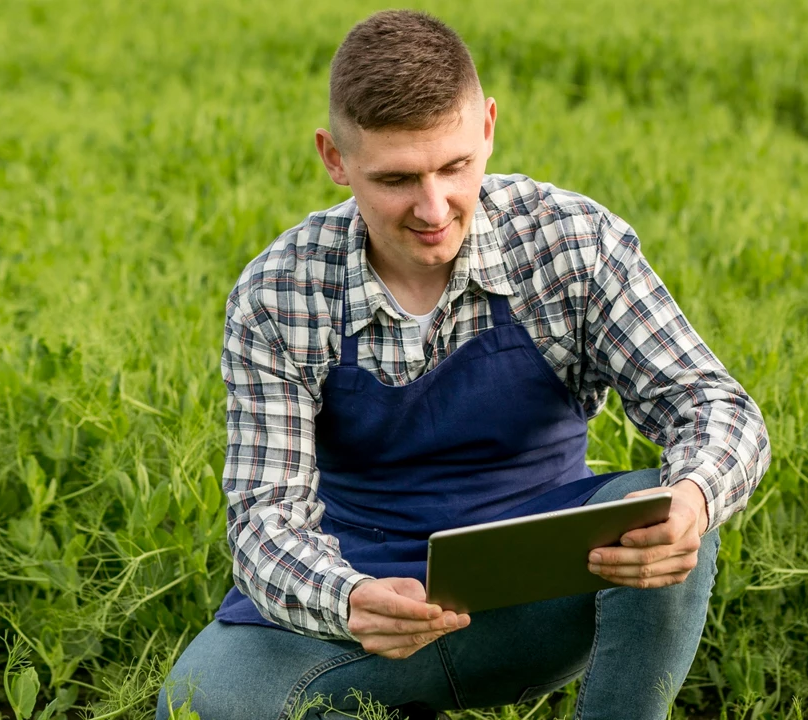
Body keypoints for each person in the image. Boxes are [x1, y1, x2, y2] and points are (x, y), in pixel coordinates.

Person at [156, 9, 771, 720]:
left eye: (455, 167)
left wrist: (691, 500)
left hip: (539, 598)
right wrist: (348, 598)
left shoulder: (570, 242)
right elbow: (265, 519)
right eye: (396, 179)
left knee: (660, 509)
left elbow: (714, 407)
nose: (434, 207)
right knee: (200, 703)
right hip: (364, 602)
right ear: (333, 157)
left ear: (488, 128)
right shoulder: (281, 291)